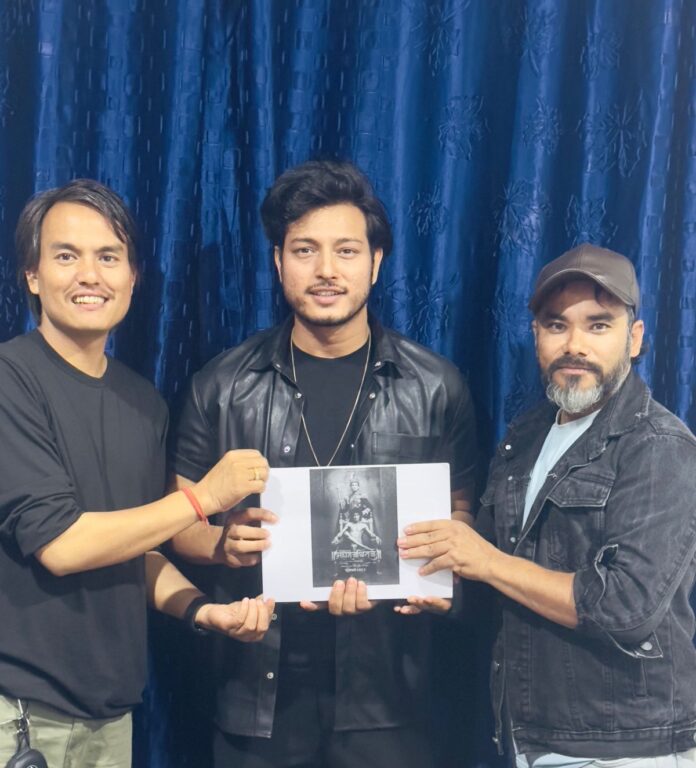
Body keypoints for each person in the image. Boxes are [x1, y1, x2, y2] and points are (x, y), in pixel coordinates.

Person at [169, 159, 479, 767]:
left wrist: (439, 578)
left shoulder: (436, 386)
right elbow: (178, 526)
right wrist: (223, 545)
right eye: (305, 250)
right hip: (257, 698)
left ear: (376, 262)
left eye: (346, 250)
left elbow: (461, 517)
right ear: (278, 260)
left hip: (389, 698)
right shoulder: (222, 385)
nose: (327, 270)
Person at [0, 180, 275, 768]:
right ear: (32, 276)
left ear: (133, 277)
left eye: (108, 257)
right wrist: (204, 499)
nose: (89, 275)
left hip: (111, 721)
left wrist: (203, 610)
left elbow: (137, 550)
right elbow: (62, 545)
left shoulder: (143, 402)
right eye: (66, 256)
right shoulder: (9, 380)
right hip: (19, 720)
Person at [399, 243, 696, 766]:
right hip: (529, 738)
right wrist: (443, 593)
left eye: (598, 325)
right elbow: (496, 578)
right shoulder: (527, 435)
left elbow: (626, 608)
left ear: (634, 338)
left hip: (624, 748)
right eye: (557, 325)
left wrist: (486, 562)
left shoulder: (658, 446)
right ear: (536, 334)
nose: (574, 345)